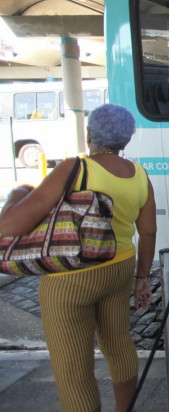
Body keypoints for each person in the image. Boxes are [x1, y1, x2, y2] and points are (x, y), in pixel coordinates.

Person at [0, 103, 156, 412]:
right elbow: (148, 231)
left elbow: (19, 220)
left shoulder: (75, 168)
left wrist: (12, 202)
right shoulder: (139, 174)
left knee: (72, 364)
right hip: (120, 269)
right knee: (119, 343)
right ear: (126, 139)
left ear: (89, 136)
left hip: (72, 276)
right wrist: (142, 277)